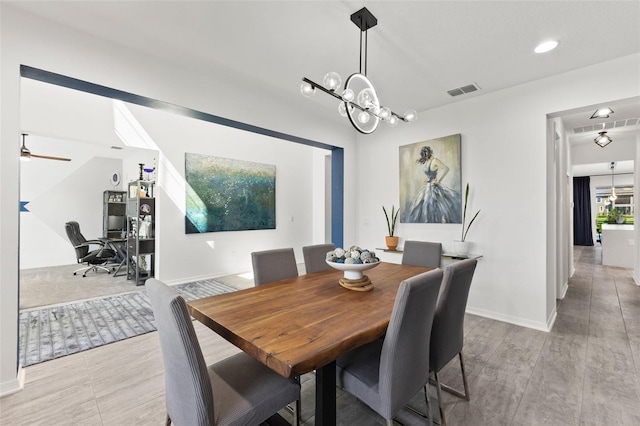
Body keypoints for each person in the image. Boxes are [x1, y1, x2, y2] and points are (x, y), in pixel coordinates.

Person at [406, 146, 461, 223]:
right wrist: (427, 180)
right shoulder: (428, 161)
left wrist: (439, 180)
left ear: (427, 153)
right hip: (427, 187)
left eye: (424, 155)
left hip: (433, 188)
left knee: (433, 206)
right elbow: (429, 174)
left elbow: (446, 168)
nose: (424, 158)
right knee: (423, 206)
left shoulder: (435, 160)